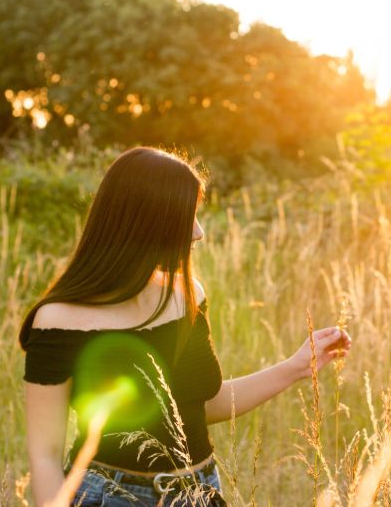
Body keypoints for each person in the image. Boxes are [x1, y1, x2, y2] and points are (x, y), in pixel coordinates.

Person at [20, 146, 352, 506]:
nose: (199, 232)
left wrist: (296, 367)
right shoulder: (58, 321)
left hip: (199, 492)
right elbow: (45, 456)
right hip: (110, 496)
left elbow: (206, 404)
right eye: (187, 217)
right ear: (146, 222)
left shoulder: (186, 296)